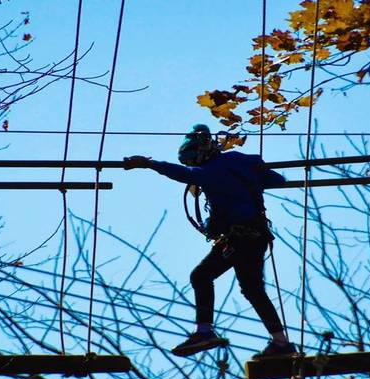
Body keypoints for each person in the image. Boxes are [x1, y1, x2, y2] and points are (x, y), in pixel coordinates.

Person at [123, 124, 296, 358]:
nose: (193, 166)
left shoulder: (212, 169)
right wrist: (254, 172)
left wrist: (150, 164)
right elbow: (277, 180)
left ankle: (208, 333)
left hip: (242, 238)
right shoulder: (237, 161)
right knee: (249, 288)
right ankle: (280, 343)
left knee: (208, 278)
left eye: (193, 161)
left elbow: (188, 175)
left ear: (200, 154)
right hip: (249, 236)